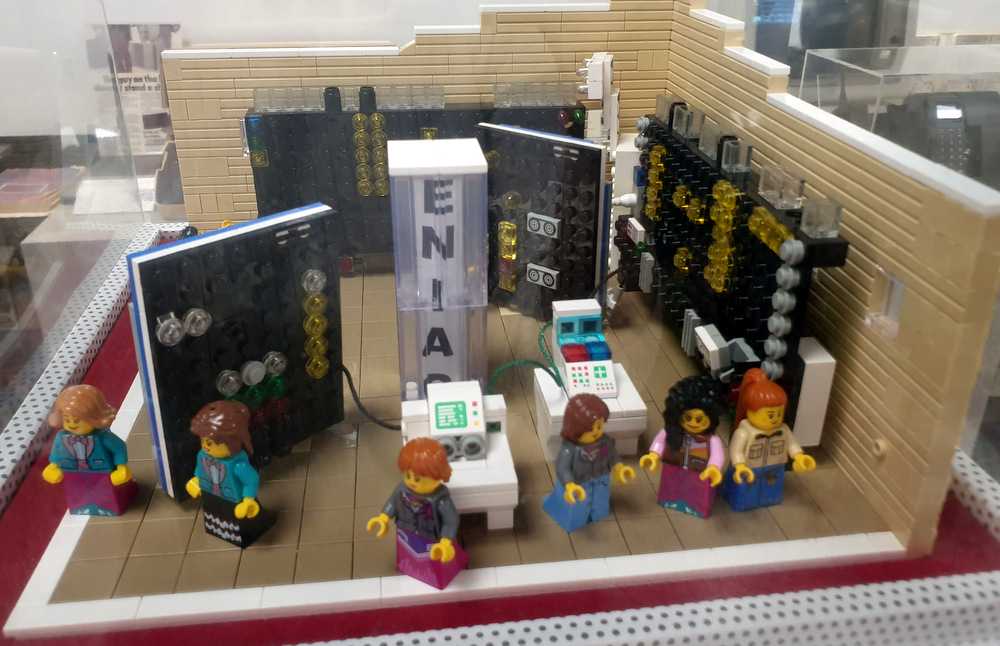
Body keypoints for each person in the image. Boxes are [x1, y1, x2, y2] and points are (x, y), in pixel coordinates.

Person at [367, 437, 468, 589]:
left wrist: (446, 542)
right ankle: (410, 569)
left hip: (432, 540)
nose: (412, 482)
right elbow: (393, 502)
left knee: (435, 565)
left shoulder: (441, 500)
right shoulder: (402, 490)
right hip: (406, 533)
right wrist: (383, 518)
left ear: (437, 474)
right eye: (408, 475)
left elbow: (451, 520)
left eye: (417, 478)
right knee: (408, 559)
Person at [723, 368, 816, 511]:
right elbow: (736, 451)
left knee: (770, 490)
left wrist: (799, 456)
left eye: (779, 413)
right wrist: (740, 465)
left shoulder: (783, 430)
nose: (775, 419)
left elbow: (791, 444)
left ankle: (767, 500)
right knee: (744, 492)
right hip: (749, 468)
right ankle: (744, 503)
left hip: (774, 466)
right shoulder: (744, 433)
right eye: (770, 415)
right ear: (750, 410)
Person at [186, 400, 274, 547]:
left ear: (231, 442)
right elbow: (201, 469)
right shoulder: (203, 456)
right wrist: (196, 480)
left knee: (241, 525)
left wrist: (248, 500)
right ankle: (219, 530)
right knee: (215, 519)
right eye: (203, 441)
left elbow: (251, 479)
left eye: (210, 443)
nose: (206, 447)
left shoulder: (238, 465)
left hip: (235, 501)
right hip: (212, 497)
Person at [543, 393, 635, 532]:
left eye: (599, 426)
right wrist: (569, 484)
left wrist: (619, 467)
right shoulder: (570, 448)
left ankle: (596, 514)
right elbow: (562, 468)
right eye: (590, 428)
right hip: (578, 485)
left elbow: (612, 455)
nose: (596, 432)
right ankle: (574, 519)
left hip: (601, 481)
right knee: (575, 510)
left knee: (598, 506)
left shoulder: (604, 441)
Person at [44, 385, 137, 515]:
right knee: (78, 497)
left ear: (94, 416)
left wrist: (121, 468)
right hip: (74, 474)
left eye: (77, 420)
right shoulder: (61, 437)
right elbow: (56, 453)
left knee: (108, 496)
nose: (71, 424)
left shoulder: (104, 437)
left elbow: (119, 448)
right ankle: (82, 508)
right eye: (67, 419)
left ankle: (107, 509)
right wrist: (53, 467)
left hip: (103, 473)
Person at [640, 376, 726, 518]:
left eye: (699, 420)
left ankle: (695, 507)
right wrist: (653, 455)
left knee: (696, 491)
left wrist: (713, 467)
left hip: (699, 471)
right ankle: (671, 500)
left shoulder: (712, 440)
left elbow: (717, 455)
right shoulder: (672, 431)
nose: (693, 423)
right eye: (687, 418)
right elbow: (660, 442)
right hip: (674, 466)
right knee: (672, 488)